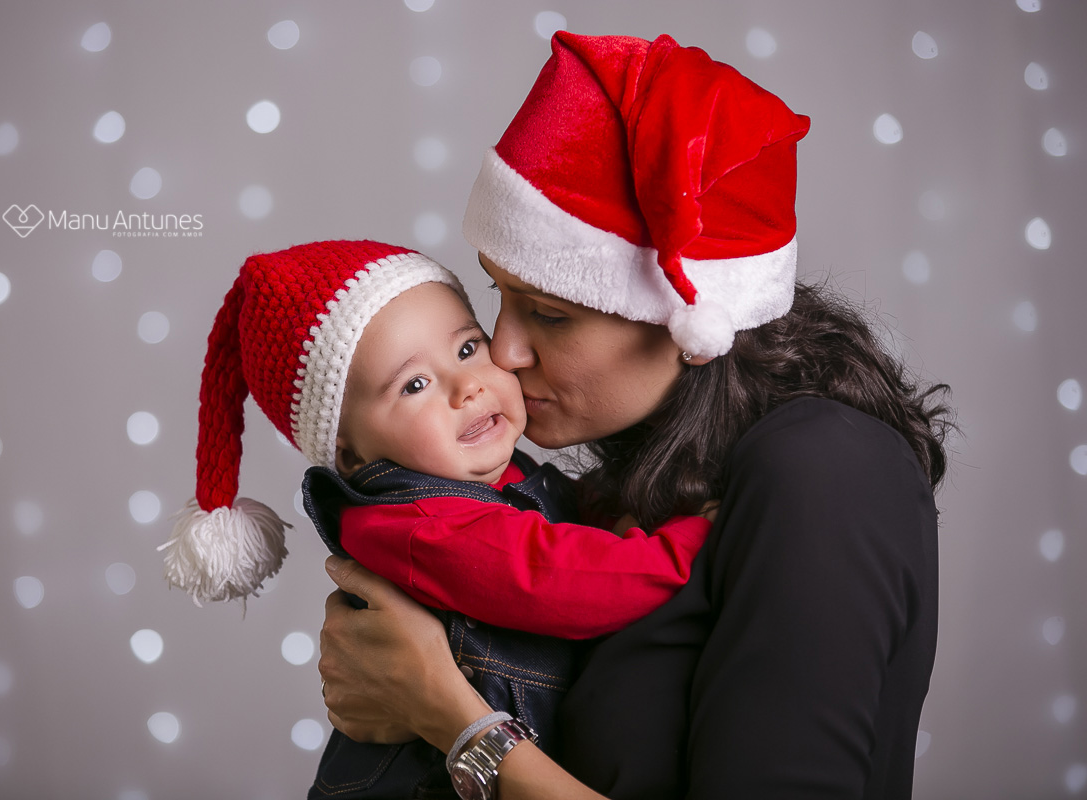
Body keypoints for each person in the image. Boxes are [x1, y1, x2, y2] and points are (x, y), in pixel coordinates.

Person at [316, 32, 952, 800]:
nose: (504, 352)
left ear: (690, 326)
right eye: (499, 298)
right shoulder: (640, 480)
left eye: (549, 314)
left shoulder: (823, 469)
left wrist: (451, 716)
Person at [157, 239, 712, 798]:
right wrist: (698, 533)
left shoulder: (485, 479)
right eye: (414, 385)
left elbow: (562, 516)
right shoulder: (425, 526)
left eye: (469, 348)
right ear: (351, 456)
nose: (466, 386)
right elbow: (574, 580)